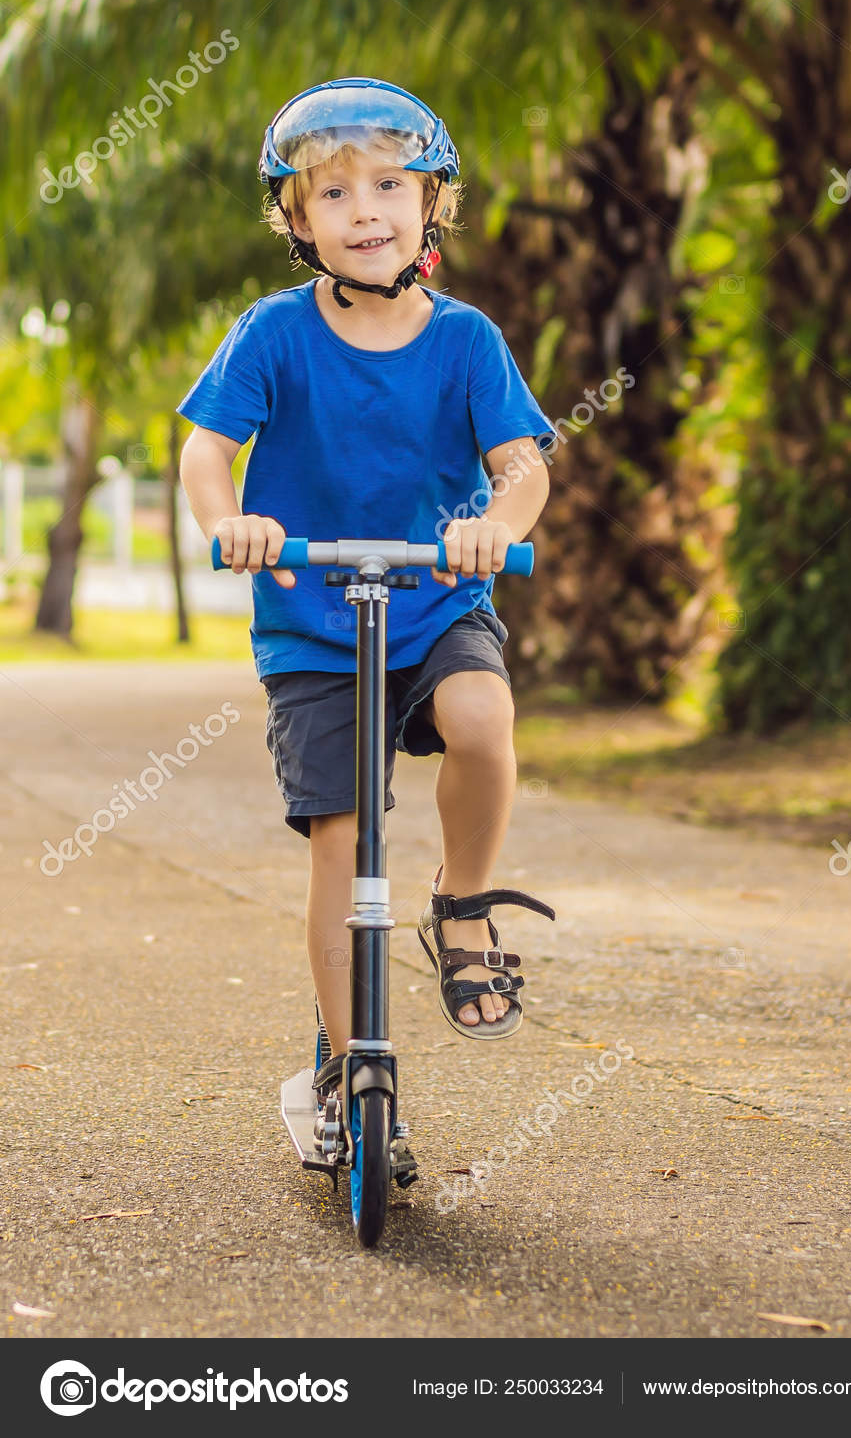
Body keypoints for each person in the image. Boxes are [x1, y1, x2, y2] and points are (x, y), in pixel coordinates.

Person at [176, 77, 557, 1123]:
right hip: (312, 623)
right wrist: (229, 522)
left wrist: (498, 524)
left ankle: (463, 903)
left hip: (435, 601)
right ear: (297, 221)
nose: (366, 211)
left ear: (433, 202)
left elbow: (522, 466)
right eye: (333, 194)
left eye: (390, 184)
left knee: (482, 717)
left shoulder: (468, 340)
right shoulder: (272, 333)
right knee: (343, 838)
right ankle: (352, 1066)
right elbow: (208, 450)